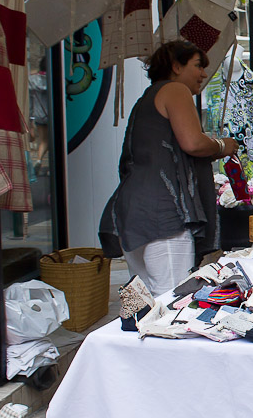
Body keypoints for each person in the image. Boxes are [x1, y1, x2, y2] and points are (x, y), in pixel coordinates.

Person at [99, 41, 237, 297]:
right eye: (198, 66)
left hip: (133, 212)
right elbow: (193, 143)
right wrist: (222, 145)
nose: (203, 74)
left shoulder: (148, 97)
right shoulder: (175, 89)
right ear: (175, 66)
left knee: (144, 302)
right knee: (172, 300)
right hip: (161, 215)